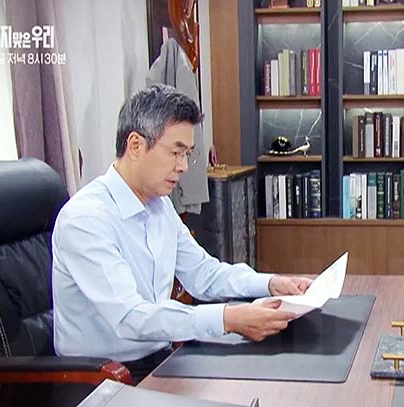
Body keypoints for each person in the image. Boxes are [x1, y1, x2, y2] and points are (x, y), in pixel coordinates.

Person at [52, 84, 312, 383]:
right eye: (176, 153)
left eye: (188, 154)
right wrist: (228, 319)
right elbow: (130, 317)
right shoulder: (86, 219)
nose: (184, 166)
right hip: (100, 378)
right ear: (135, 146)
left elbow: (203, 274)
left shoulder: (159, 205)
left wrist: (270, 283)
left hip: (160, 358)